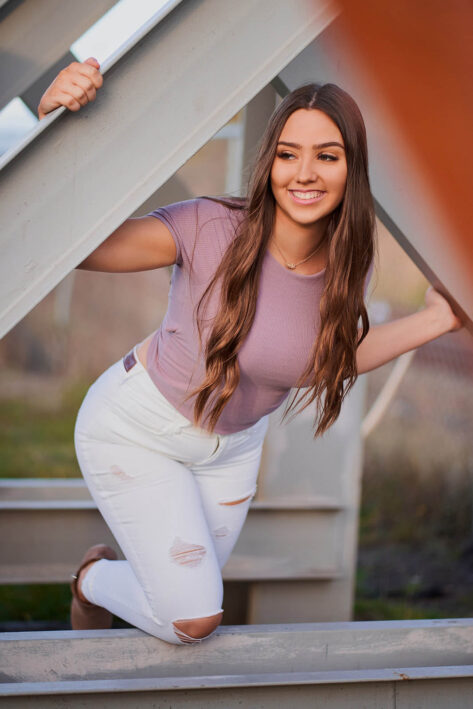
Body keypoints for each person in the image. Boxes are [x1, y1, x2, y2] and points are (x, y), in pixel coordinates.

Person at [38, 58, 463, 645]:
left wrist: (436, 318)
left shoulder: (349, 261)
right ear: (269, 162)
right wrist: (53, 126)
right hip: (136, 430)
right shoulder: (212, 227)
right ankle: (91, 581)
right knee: (192, 618)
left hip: (232, 452)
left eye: (327, 155)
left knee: (177, 604)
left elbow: (325, 360)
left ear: (352, 167)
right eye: (288, 154)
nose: (304, 173)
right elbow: (78, 247)